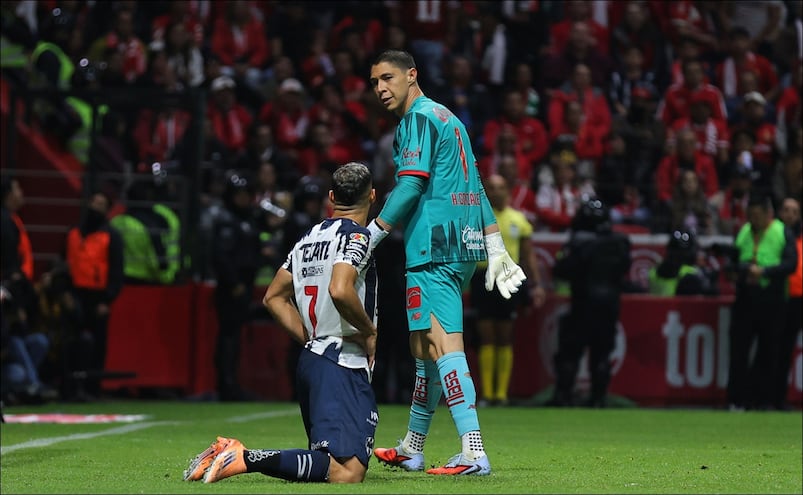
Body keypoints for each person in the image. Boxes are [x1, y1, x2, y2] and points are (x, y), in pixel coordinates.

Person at [365, 50, 526, 476]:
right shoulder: (451, 120)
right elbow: (475, 186)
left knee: (443, 347)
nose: (380, 88)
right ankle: (413, 446)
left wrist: (373, 233)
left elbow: (411, 183)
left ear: (411, 75)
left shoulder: (416, 119)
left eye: (387, 78)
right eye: (374, 82)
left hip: (432, 247)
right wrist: (494, 244)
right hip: (462, 247)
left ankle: (473, 450)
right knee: (424, 350)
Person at [183, 162, 379, 484]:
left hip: (315, 359)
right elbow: (340, 289)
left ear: (331, 197)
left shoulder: (308, 238)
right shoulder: (358, 237)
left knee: (336, 467)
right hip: (341, 359)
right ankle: (242, 456)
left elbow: (273, 296)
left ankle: (231, 453)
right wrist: (369, 331)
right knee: (346, 473)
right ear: (372, 196)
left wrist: (309, 339)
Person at [547, 197, 632, 408]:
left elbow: (561, 270)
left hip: (583, 304)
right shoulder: (620, 243)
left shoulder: (578, 242)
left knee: (569, 352)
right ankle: (598, 398)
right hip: (609, 306)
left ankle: (563, 396)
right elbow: (624, 270)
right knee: (602, 353)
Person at [470, 174, 546, 407]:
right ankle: (486, 394)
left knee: (504, 336)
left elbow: (528, 255)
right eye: (491, 187)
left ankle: (500, 395)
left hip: (507, 276)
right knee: (486, 336)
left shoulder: (518, 219)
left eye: (500, 187)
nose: (496, 191)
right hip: (482, 277)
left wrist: (537, 284)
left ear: (508, 190)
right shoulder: (477, 218)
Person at [725, 195, 797, 411]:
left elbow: (790, 265)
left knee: (769, 352)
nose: (753, 220)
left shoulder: (782, 232)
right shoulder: (744, 232)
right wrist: (736, 270)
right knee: (739, 351)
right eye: (751, 215)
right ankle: (736, 400)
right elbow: (733, 260)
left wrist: (764, 271)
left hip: (773, 300)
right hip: (746, 298)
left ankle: (763, 400)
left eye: (757, 215)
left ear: (768, 214)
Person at [63, 191, 124, 399]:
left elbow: (117, 271)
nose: (95, 207)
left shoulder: (111, 235)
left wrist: (108, 299)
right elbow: (64, 263)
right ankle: (70, 386)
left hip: (98, 298)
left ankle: (92, 388)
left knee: (97, 345)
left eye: (101, 204)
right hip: (75, 295)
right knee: (72, 342)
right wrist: (65, 292)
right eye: (93, 202)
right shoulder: (73, 232)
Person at [210, 171, 263, 401]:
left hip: (245, 284)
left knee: (234, 336)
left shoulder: (248, 219)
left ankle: (232, 381)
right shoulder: (226, 220)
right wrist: (233, 283)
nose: (243, 199)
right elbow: (221, 256)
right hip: (233, 287)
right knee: (228, 336)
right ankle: (226, 383)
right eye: (239, 195)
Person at [772, 197, 801, 410]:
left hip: (800, 300)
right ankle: (774, 398)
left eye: (794, 211)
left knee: (787, 350)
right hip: (782, 299)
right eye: (786, 210)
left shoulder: (799, 240)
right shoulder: (775, 236)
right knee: (778, 350)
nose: (789, 214)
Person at [648, 230, 717, 296]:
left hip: (655, 307)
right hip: (676, 308)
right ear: (691, 252)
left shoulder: (653, 272)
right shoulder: (690, 276)